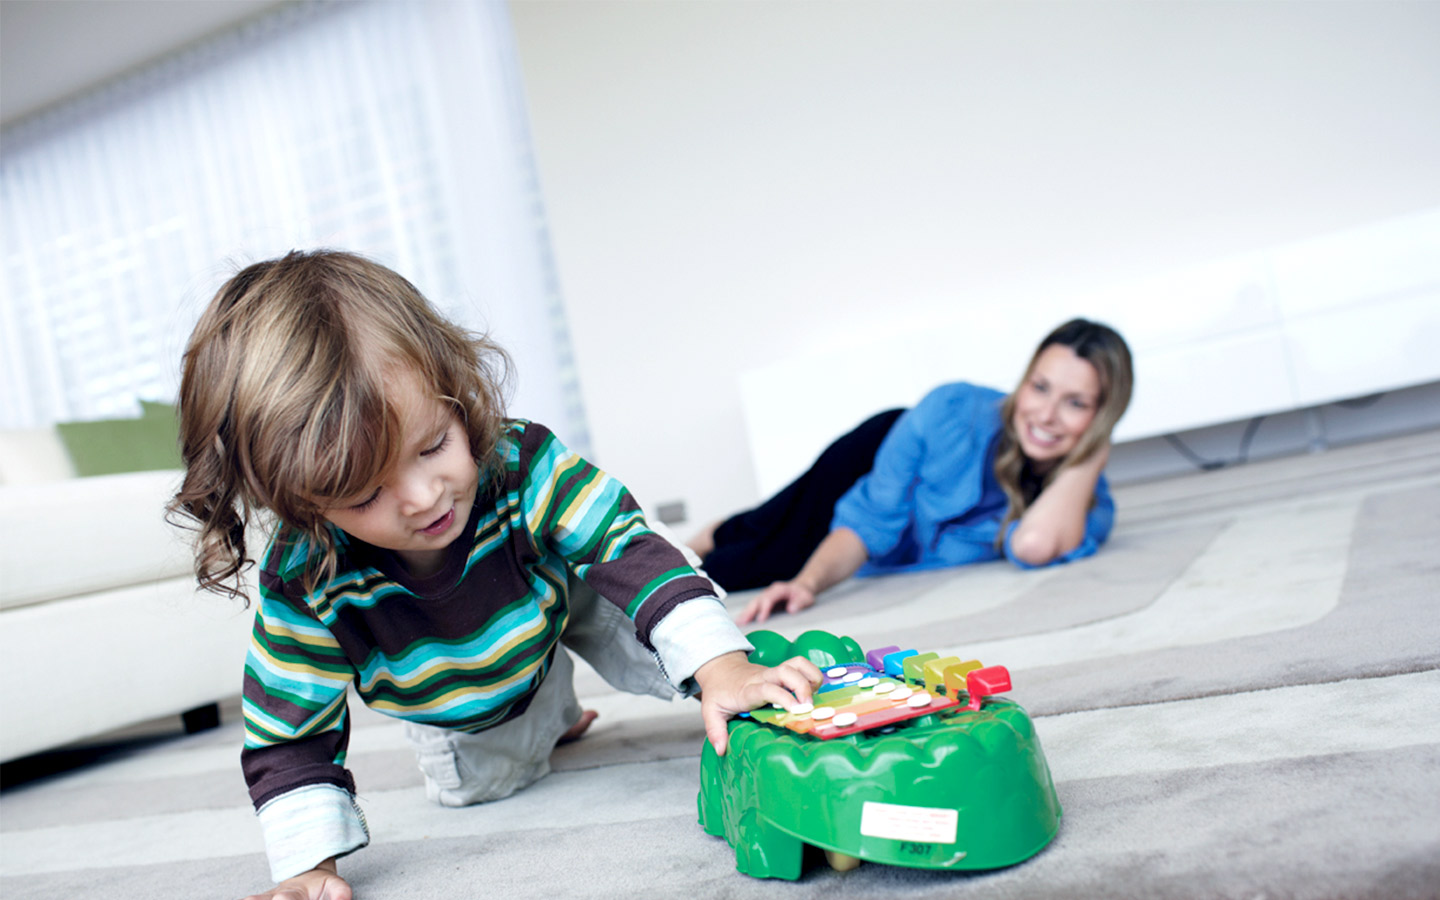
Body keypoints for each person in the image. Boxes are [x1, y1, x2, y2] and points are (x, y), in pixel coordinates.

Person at [167, 250, 821, 900]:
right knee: (489, 781)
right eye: (365, 494)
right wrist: (308, 866)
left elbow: (623, 543)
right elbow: (288, 725)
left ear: (454, 391)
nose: (424, 497)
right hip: (449, 687)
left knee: (660, 598)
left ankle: (713, 668)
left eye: (433, 447)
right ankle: (552, 710)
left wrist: (721, 664)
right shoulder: (303, 578)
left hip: (555, 591)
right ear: (299, 501)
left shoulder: (517, 460)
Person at [688, 318, 1133, 624]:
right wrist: (807, 583)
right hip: (879, 455)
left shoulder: (1084, 503)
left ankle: (732, 531)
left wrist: (1092, 451)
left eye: (1076, 403)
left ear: (1102, 416)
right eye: (1040, 387)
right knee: (751, 555)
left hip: (898, 512)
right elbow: (869, 522)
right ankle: (706, 534)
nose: (1047, 414)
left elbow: (1034, 544)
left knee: (763, 542)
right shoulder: (954, 408)